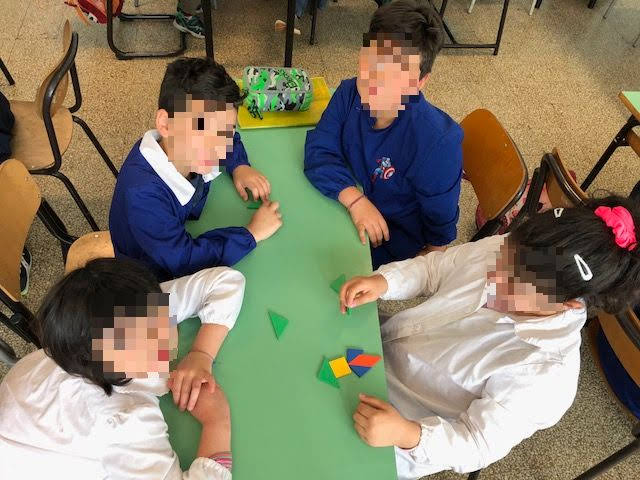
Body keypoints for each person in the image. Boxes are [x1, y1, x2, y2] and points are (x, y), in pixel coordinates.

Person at [338, 197, 640, 478]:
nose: (495, 278)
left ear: (568, 304)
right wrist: (385, 282)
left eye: (516, 284)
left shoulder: (547, 376)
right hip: (376, 347)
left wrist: (406, 434)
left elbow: (477, 443)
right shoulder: (512, 248)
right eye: (505, 258)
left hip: (395, 426)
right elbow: (435, 268)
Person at [0, 257, 246, 478]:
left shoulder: (115, 314)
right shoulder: (124, 421)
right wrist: (217, 422)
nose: (169, 324)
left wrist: (201, 354)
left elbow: (225, 282)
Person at [304, 0, 462, 269]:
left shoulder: (437, 145)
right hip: (344, 207)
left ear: (420, 82)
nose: (376, 80)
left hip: (389, 246)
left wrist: (396, 278)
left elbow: (437, 243)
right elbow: (319, 150)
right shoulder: (349, 92)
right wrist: (355, 200)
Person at [110, 57, 282, 281]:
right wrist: (250, 234)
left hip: (175, 240)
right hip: (150, 281)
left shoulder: (184, 150)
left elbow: (227, 138)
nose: (218, 147)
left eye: (226, 130)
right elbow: (184, 261)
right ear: (165, 124)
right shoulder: (143, 195)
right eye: (201, 129)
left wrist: (239, 165)